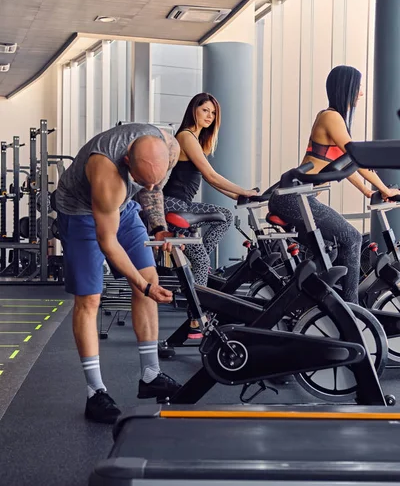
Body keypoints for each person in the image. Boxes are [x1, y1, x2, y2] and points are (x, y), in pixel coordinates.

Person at [56, 123, 183, 424]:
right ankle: (95, 392)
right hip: (82, 212)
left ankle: (151, 374)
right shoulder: (106, 171)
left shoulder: (170, 147)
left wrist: (158, 226)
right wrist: (142, 286)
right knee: (89, 300)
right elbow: (108, 243)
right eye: (144, 181)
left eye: (157, 179)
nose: (150, 187)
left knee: (149, 278)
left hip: (123, 209)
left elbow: (153, 191)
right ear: (128, 161)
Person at [268, 65, 400, 304]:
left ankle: (313, 300)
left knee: (332, 248)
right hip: (293, 197)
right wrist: (386, 189)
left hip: (297, 196)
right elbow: (356, 156)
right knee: (351, 237)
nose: (361, 94)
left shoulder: (333, 118)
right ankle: (350, 308)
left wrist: (367, 190)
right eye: (358, 88)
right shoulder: (331, 116)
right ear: (346, 88)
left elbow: (343, 165)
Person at [163, 92, 258, 338]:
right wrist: (245, 190)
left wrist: (237, 196)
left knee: (205, 254)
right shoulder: (186, 136)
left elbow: (212, 182)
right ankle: (196, 315)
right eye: (205, 110)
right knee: (224, 218)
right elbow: (211, 175)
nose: (209, 116)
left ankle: (197, 314)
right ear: (194, 110)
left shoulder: (194, 138)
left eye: (213, 113)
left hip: (179, 205)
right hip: (172, 204)